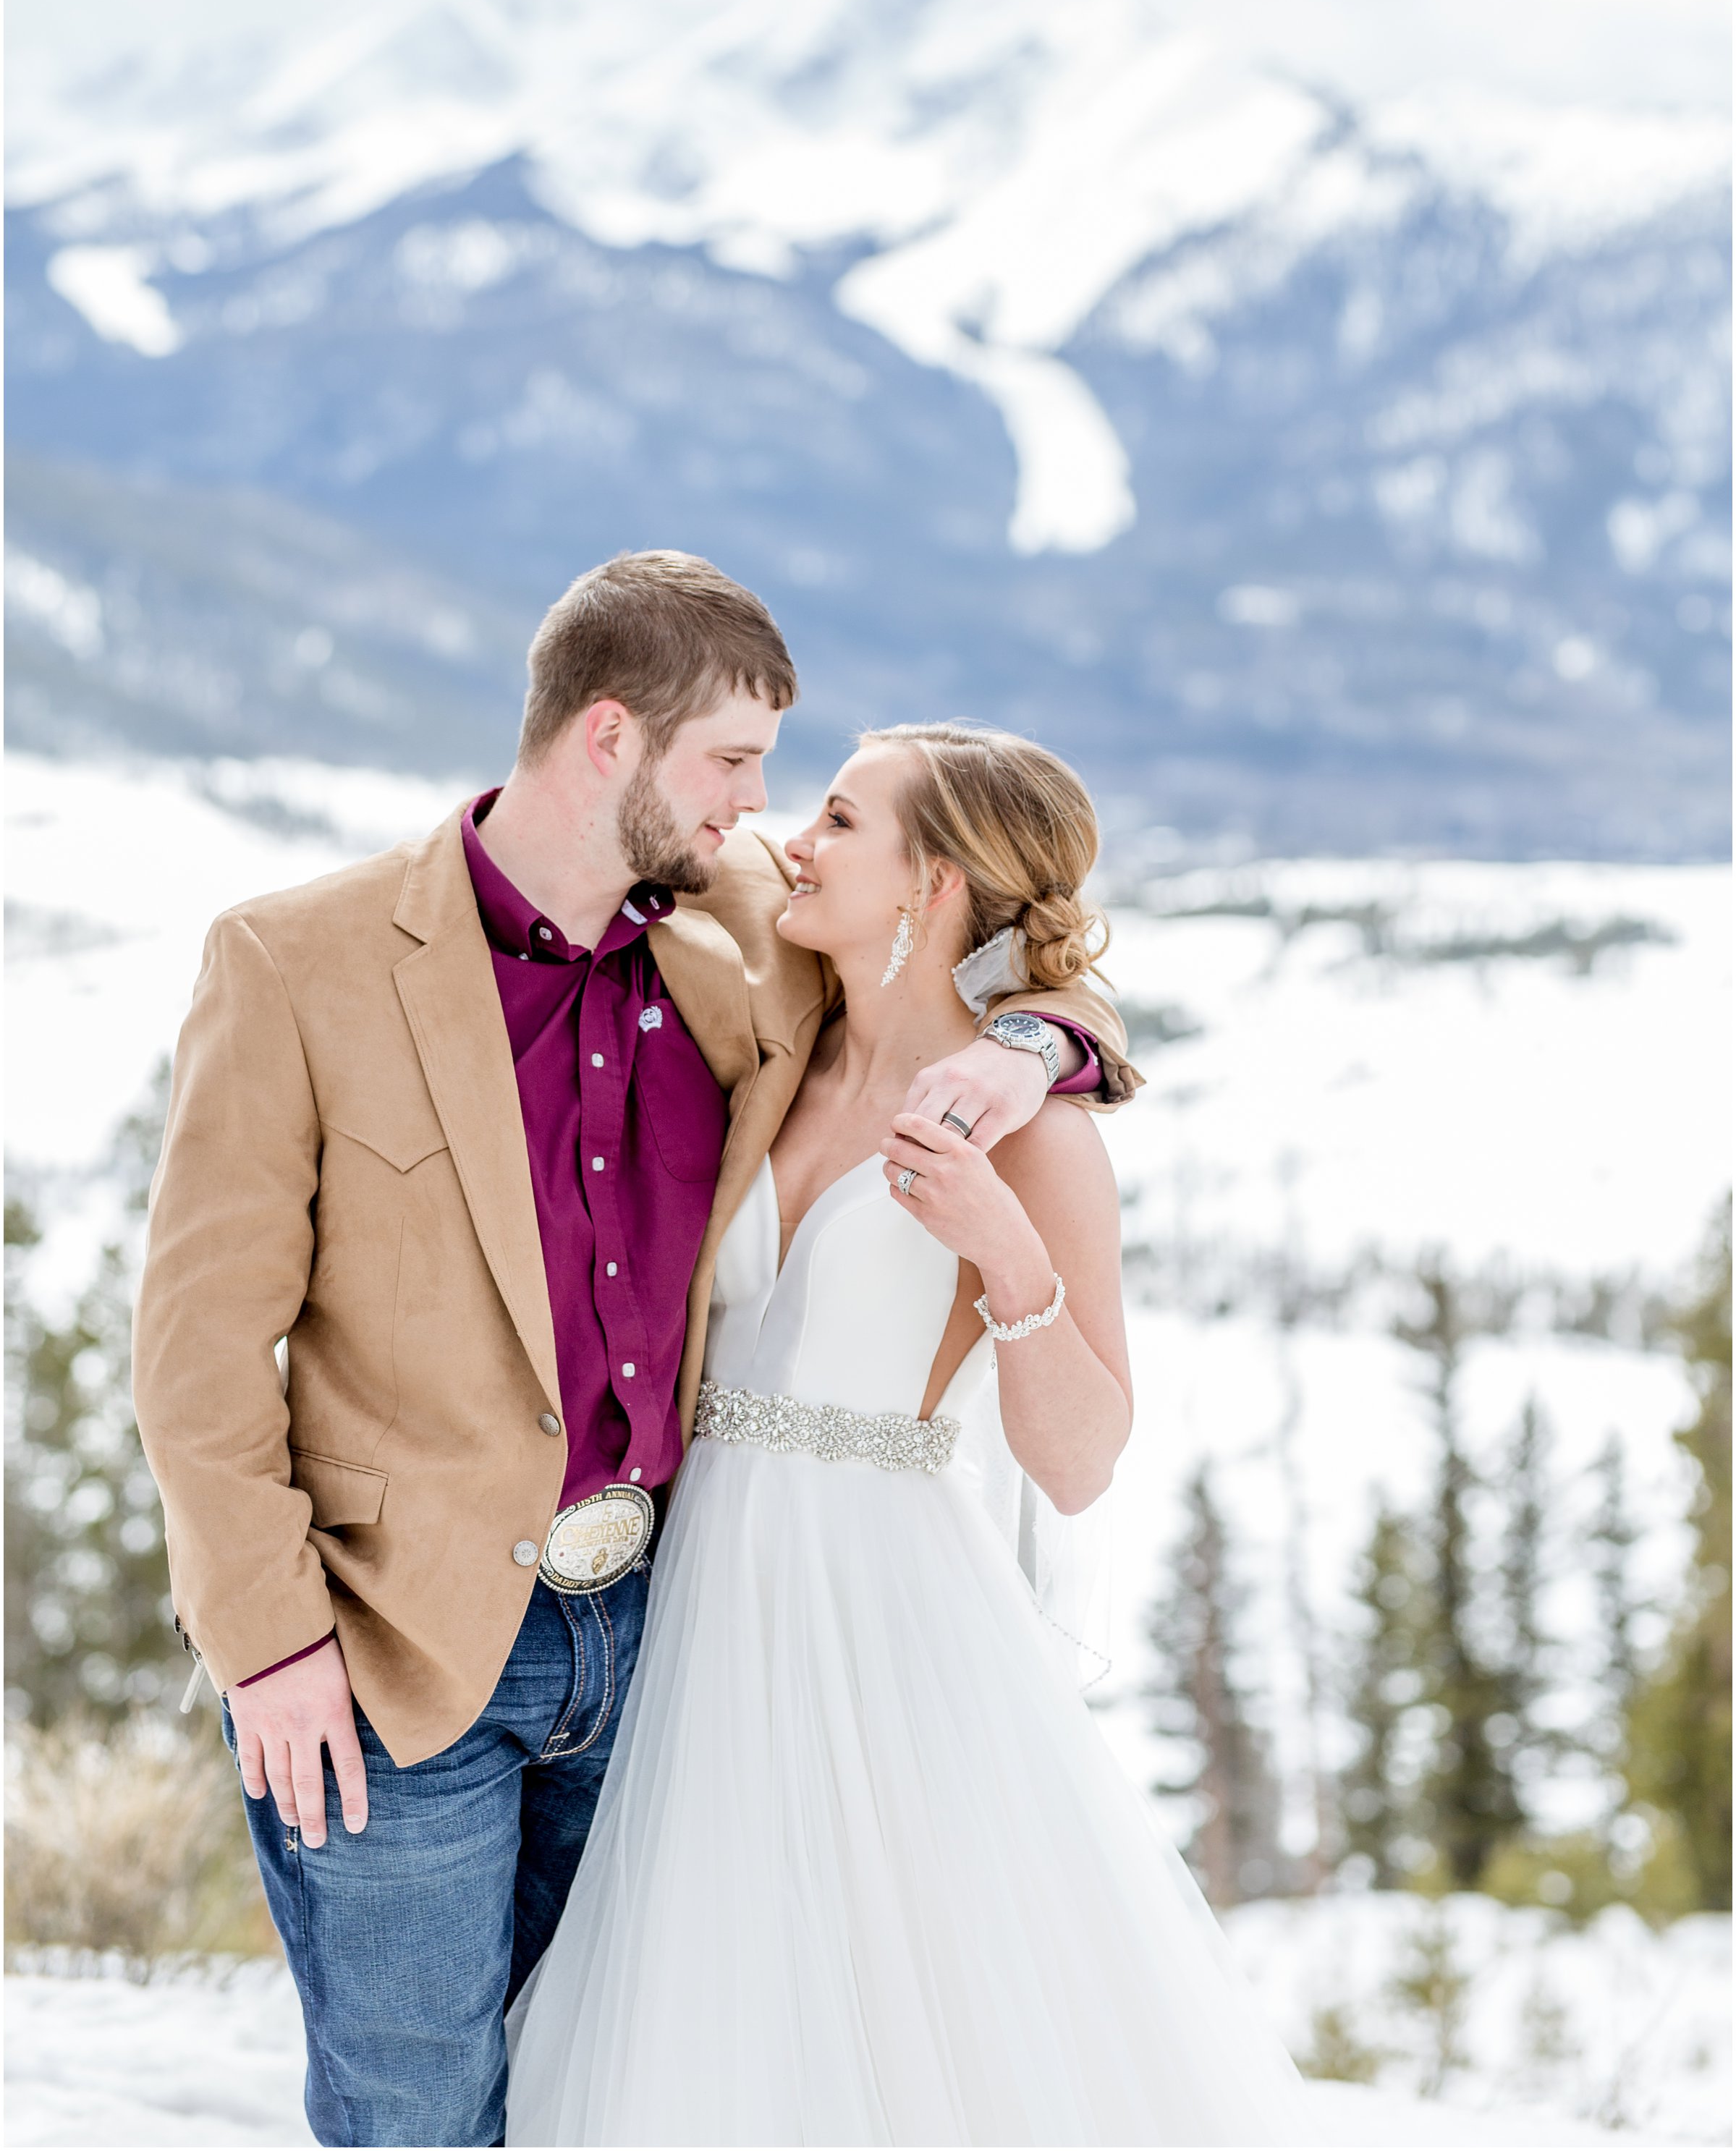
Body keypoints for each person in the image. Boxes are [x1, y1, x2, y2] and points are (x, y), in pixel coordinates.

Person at [132, 553, 1133, 2150]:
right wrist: (265, 1640)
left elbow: (985, 973)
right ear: (612, 738)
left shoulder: (741, 937)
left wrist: (1035, 1054)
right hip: (407, 1653)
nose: (763, 812)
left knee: (647, 2085)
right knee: (420, 2110)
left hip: (673, 1639)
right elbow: (194, 1352)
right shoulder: (296, 964)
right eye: (735, 761)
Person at [505, 721, 1316, 2147]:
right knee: (711, 2019)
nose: (796, 840)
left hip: (883, 1622)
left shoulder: (1035, 1138)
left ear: (934, 882)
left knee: (899, 2030)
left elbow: (1078, 1462)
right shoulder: (774, 1049)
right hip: (696, 1605)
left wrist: (1007, 1253)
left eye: (838, 817)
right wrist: (1038, 1023)